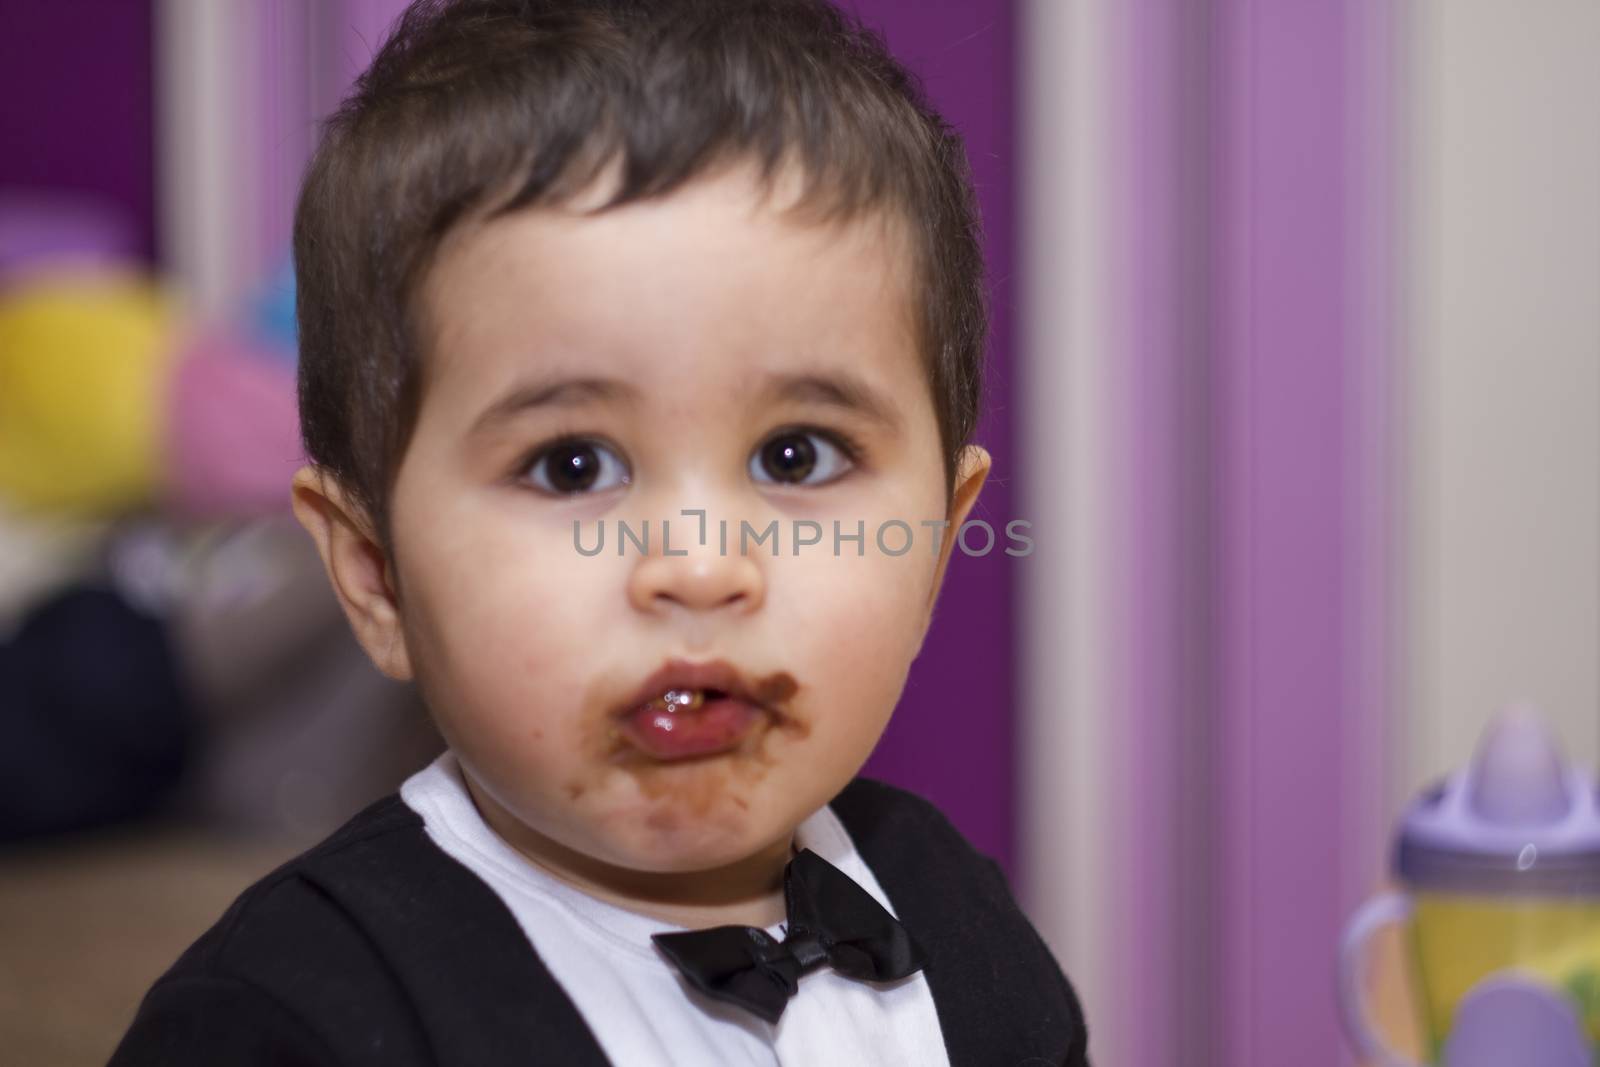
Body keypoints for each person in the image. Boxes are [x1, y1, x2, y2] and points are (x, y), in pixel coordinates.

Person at [108, 0, 1090, 1063]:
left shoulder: (957, 910)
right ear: (377, 574)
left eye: (795, 455)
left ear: (936, 549)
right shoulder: (285, 1015)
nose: (701, 566)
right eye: (572, 464)